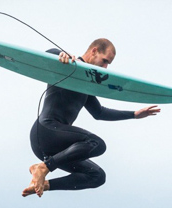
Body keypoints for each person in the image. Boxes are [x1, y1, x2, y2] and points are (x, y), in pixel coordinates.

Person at [23, 38, 160, 197]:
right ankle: (43, 168)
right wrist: (60, 55)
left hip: (57, 148)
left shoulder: (85, 86)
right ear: (94, 51)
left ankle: (43, 184)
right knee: (96, 143)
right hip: (46, 130)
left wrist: (134, 115)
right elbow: (45, 55)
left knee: (97, 176)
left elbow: (99, 112)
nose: (105, 67)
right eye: (104, 61)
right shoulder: (65, 66)